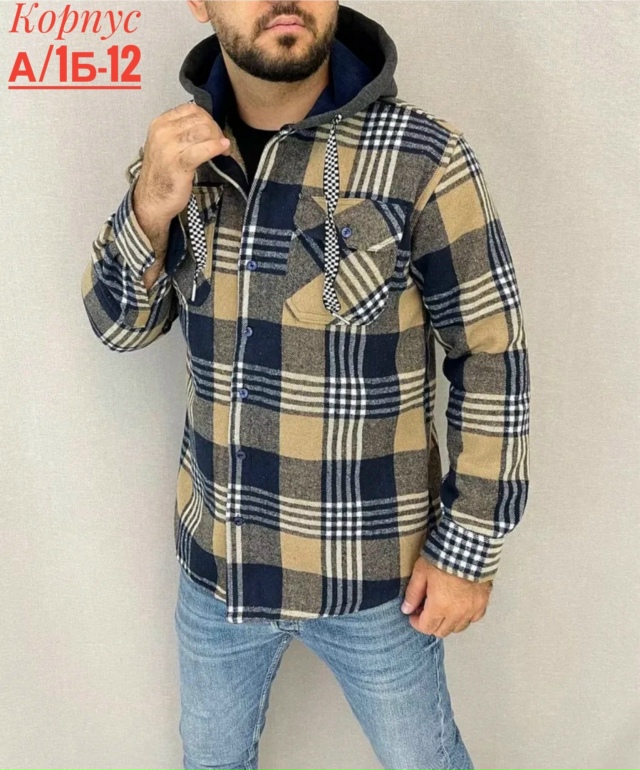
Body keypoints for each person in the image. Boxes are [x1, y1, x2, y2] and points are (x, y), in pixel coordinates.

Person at [80, 2, 531, 768]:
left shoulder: (424, 157)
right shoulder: (180, 158)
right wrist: (149, 208)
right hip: (218, 569)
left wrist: (467, 549)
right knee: (210, 760)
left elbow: (492, 354)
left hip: (375, 580)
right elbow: (120, 326)